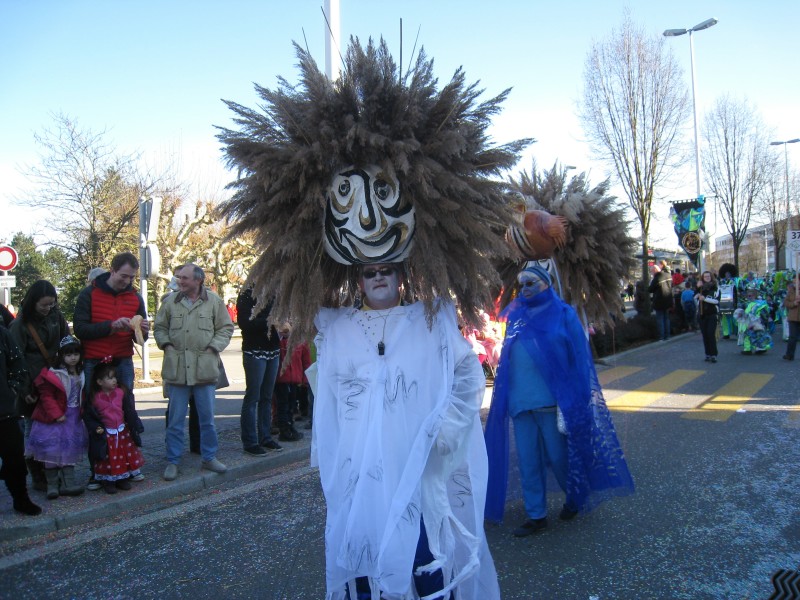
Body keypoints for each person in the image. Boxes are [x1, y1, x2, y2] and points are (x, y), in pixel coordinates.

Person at [314, 262, 495, 598]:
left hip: (418, 465)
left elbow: (468, 372)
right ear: (359, 282)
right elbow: (329, 399)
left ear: (402, 278)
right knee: (370, 552)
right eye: (370, 272)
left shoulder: (430, 321)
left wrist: (449, 427)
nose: (379, 277)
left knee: (423, 552)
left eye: (387, 269)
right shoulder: (338, 331)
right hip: (364, 471)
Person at [484, 264, 634, 536]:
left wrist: (577, 396)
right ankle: (536, 515)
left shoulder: (563, 314)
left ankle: (575, 495)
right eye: (522, 284)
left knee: (558, 456)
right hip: (520, 402)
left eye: (531, 282)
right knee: (528, 460)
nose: (525, 288)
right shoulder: (516, 316)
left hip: (552, 403)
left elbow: (579, 359)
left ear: (546, 284)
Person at [154, 264, 234, 480]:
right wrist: (167, 345)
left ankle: (209, 457)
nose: (180, 281)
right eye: (178, 277)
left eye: (185, 278)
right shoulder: (170, 302)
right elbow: (159, 327)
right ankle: (173, 461)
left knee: (207, 419)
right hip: (177, 369)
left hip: (204, 368)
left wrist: (213, 347)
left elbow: (226, 328)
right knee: (175, 419)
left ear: (198, 280)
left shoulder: (214, 302)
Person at [9, 280, 71, 492]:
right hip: (32, 385)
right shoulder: (20, 325)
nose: (48, 309)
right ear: (33, 302)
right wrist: (24, 390)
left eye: (51, 304)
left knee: (55, 428)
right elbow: (15, 360)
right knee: (33, 430)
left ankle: (54, 471)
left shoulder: (56, 317)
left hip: (55, 381)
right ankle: (37, 474)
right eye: (44, 305)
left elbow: (67, 343)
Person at [73, 251, 150, 392]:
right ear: (112, 271)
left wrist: (143, 331)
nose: (127, 281)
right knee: (94, 407)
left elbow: (140, 340)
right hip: (94, 361)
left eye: (132, 277)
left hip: (123, 360)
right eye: (123, 276)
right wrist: (111, 326)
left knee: (125, 405)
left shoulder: (136, 298)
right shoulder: (89, 294)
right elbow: (80, 330)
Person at [28, 335, 88, 499]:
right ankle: (52, 486)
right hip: (54, 421)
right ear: (61, 356)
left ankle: (69, 483)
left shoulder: (82, 372)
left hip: (73, 417)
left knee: (69, 450)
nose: (73, 358)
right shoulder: (53, 374)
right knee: (52, 452)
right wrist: (57, 414)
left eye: (76, 354)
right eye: (68, 354)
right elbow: (46, 396)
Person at [83, 361, 144, 494]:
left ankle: (122, 478)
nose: (114, 380)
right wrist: (96, 427)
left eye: (115, 377)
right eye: (110, 378)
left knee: (122, 455)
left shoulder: (121, 393)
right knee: (108, 457)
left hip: (122, 431)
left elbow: (129, 410)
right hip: (106, 432)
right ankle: (108, 480)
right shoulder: (95, 397)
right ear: (99, 382)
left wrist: (135, 424)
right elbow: (89, 415)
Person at [0, 323, 42, 516]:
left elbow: (18, 363)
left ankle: (21, 499)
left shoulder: (3, 334)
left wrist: (13, 390)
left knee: (14, 459)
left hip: (4, 410)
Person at [237, 285, 282, 456]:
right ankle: (250, 441)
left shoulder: (275, 293)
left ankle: (266, 436)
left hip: (273, 349)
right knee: (253, 396)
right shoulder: (246, 295)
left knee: (267, 397)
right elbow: (245, 323)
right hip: (255, 350)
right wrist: (271, 321)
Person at [274, 322, 309, 441]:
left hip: (294, 378)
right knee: (283, 406)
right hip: (282, 378)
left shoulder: (300, 341)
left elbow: (305, 360)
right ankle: (284, 430)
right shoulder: (280, 341)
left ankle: (290, 427)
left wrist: (305, 378)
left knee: (291, 405)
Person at [696, 271, 721, 363]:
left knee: (711, 334)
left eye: (708, 276)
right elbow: (695, 297)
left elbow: (716, 301)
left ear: (711, 277)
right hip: (702, 315)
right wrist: (697, 289)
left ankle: (714, 354)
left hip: (712, 314)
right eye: (705, 276)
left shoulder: (715, 288)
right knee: (705, 335)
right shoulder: (700, 288)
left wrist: (705, 299)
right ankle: (707, 354)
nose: (707, 278)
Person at [649, 261, 674, 341]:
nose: (652, 273)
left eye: (652, 272)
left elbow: (650, 289)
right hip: (668, 299)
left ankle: (661, 336)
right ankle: (668, 335)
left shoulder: (657, 278)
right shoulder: (668, 275)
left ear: (654, 271)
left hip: (659, 301)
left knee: (660, 319)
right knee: (666, 318)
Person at [782, 282, 799, 361]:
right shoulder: (791, 291)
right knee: (792, 337)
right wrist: (793, 303)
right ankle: (789, 354)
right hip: (793, 318)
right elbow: (786, 302)